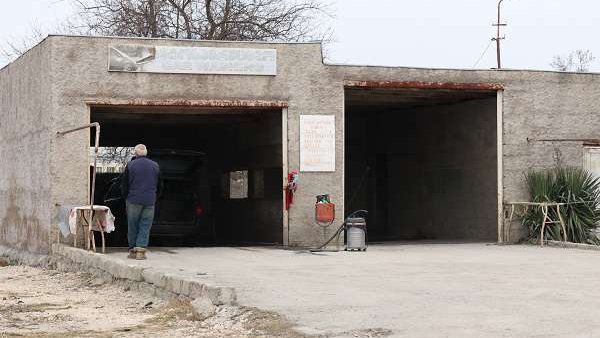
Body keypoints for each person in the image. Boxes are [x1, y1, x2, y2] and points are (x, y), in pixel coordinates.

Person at [120, 144, 162, 260]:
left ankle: (133, 250)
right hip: (149, 200)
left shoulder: (130, 165)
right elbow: (160, 185)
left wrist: (126, 197)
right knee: (145, 225)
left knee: (133, 225)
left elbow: (124, 185)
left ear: (135, 153)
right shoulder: (155, 166)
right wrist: (154, 197)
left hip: (133, 199)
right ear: (146, 153)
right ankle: (141, 250)